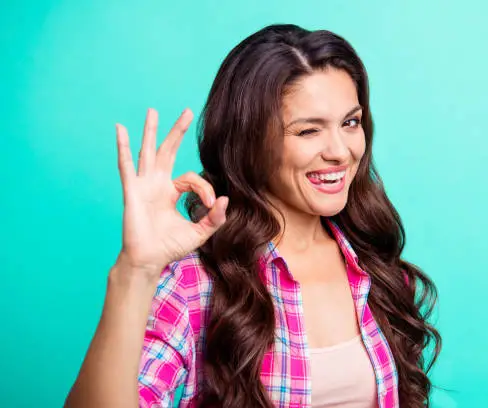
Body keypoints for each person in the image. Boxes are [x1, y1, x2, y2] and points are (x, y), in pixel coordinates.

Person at [65, 24, 440, 408]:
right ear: (249, 142)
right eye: (309, 131)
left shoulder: (376, 271)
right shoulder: (199, 282)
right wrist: (135, 271)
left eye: (350, 122)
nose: (341, 152)